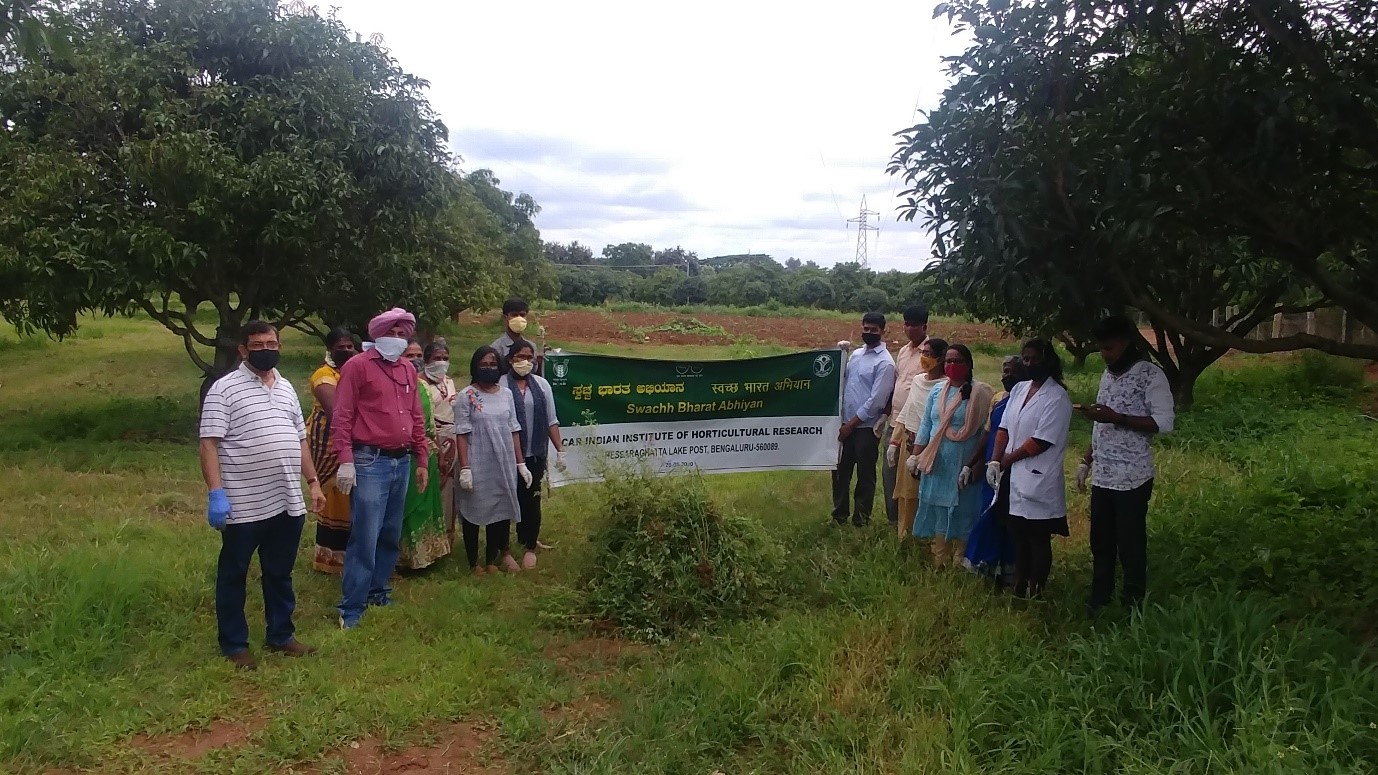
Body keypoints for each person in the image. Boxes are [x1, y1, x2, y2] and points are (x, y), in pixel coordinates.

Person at [199, 321, 325, 670]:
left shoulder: (285, 388)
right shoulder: (223, 390)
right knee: (234, 573)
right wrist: (216, 493)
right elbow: (209, 443)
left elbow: (300, 439)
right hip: (243, 504)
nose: (266, 349)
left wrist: (312, 481)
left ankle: (280, 634)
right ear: (243, 350)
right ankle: (234, 643)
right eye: (257, 344)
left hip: (287, 500)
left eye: (272, 342)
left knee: (279, 572)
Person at [331, 308, 429, 630]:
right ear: (377, 335)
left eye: (404, 335)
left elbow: (416, 416)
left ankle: (378, 590)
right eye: (393, 334)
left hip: (401, 460)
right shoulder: (358, 367)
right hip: (369, 460)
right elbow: (342, 415)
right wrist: (345, 459)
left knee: (390, 532)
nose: (398, 341)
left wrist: (422, 459)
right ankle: (351, 607)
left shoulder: (408, 370)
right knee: (365, 534)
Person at [1077, 315, 1175, 615]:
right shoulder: (1108, 375)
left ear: (1127, 343)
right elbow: (1101, 426)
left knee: (1130, 544)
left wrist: (1117, 418)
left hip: (1133, 477)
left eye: (1109, 348)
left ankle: (1133, 603)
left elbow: (1165, 423)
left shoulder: (1151, 376)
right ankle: (1100, 599)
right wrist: (1087, 459)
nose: (1104, 355)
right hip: (1104, 476)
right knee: (1101, 542)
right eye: (1101, 349)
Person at [987, 339, 1073, 598]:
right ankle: (1019, 585)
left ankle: (1037, 589)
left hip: (1038, 475)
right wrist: (994, 459)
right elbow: (1003, 428)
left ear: (1048, 361)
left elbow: (1040, 442)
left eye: (1035, 359)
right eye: (1026, 359)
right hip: (1012, 474)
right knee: (1017, 533)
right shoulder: (1020, 389)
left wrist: (1006, 461)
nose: (1029, 364)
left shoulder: (1057, 397)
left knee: (1038, 537)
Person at [908, 344, 995, 568]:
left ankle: (961, 561)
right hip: (938, 462)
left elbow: (986, 431)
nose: (952, 366)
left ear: (969, 365)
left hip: (965, 461)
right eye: (948, 361)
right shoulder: (937, 391)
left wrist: (977, 465)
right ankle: (940, 561)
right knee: (938, 509)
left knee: (964, 510)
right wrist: (916, 457)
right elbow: (927, 425)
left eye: (957, 361)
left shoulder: (981, 393)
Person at [452, 346, 531, 575]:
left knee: (499, 509)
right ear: (475, 367)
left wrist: (520, 463)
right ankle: (474, 562)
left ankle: (491, 560)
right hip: (477, 460)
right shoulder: (466, 395)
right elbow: (462, 432)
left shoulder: (506, 394)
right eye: (484, 364)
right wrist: (465, 468)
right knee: (474, 509)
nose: (488, 368)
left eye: (493, 364)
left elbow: (513, 428)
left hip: (503, 461)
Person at [505, 340, 568, 569]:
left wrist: (560, 450)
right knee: (507, 499)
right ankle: (503, 548)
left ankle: (529, 544)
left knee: (532, 499)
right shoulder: (501, 384)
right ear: (511, 359)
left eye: (529, 357)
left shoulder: (541, 385)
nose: (525, 361)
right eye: (520, 357)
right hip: (506, 456)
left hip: (535, 453)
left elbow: (551, 420)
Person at [964, 356, 1026, 583]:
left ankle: (1010, 569)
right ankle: (985, 564)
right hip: (992, 467)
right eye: (1005, 371)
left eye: (1013, 371)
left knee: (1008, 519)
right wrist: (970, 464)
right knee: (988, 515)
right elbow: (988, 434)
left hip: (1013, 467)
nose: (1007, 376)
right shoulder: (999, 399)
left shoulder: (1029, 402)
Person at [832, 312, 896, 527]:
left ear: (882, 331)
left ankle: (861, 519)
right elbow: (844, 382)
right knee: (840, 471)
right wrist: (840, 355)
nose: (868, 333)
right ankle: (839, 515)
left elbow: (876, 401)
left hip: (865, 428)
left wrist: (851, 425)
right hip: (844, 424)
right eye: (865, 329)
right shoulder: (857, 355)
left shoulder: (885, 363)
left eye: (873, 330)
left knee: (865, 475)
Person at [307, 327, 356, 574]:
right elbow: (335, 411)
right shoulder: (323, 375)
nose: (346, 351)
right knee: (336, 497)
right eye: (341, 347)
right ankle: (331, 559)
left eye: (350, 347)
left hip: (353, 439)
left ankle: (351, 557)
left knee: (349, 499)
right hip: (328, 441)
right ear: (330, 349)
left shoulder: (353, 372)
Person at [889, 336, 948, 539]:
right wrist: (894, 442)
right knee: (908, 492)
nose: (924, 358)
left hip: (934, 446)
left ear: (941, 359)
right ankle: (905, 534)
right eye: (923, 353)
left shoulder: (946, 386)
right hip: (910, 442)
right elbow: (908, 410)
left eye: (929, 354)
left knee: (929, 493)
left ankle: (930, 537)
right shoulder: (917, 380)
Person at [397, 339, 448, 570]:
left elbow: (430, 425)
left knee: (428, 505)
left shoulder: (424, 387)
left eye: (418, 355)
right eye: (409, 355)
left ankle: (427, 554)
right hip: (406, 455)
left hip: (429, 453)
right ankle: (403, 558)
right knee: (408, 507)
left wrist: (438, 451)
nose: (415, 360)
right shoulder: (397, 387)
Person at [881, 305, 931, 527]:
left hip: (915, 426)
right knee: (889, 472)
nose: (909, 329)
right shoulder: (903, 351)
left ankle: (915, 524)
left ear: (924, 327)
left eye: (913, 325)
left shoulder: (930, 353)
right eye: (906, 324)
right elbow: (898, 383)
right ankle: (894, 520)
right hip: (895, 422)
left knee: (912, 476)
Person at [420, 340, 459, 558]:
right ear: (426, 361)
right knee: (431, 488)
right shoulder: (420, 384)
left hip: (452, 439)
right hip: (430, 442)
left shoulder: (450, 383)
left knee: (449, 491)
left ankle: (447, 540)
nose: (442, 363)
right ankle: (427, 541)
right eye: (437, 358)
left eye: (445, 358)